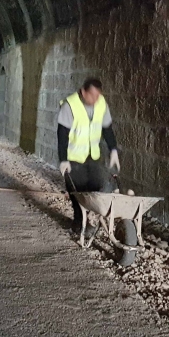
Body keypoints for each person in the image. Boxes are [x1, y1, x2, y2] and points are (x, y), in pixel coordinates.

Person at [57, 78, 120, 232]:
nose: (95, 99)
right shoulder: (70, 105)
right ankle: (78, 222)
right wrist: (63, 159)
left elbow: (107, 128)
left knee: (94, 186)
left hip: (92, 154)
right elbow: (62, 134)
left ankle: (90, 218)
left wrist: (113, 150)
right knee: (77, 190)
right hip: (74, 157)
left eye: (98, 95)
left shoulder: (101, 103)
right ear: (83, 92)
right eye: (92, 95)